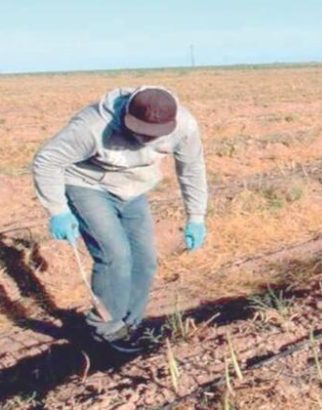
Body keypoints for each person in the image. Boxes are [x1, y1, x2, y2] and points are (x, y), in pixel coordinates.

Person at [32, 86, 208, 353]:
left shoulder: (184, 126)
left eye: (154, 134)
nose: (146, 138)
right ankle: (106, 330)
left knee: (144, 261)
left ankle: (129, 325)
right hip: (87, 184)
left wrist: (196, 216)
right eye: (140, 130)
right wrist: (58, 210)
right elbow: (47, 161)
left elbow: (192, 167)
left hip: (133, 189)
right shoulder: (92, 126)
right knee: (115, 256)